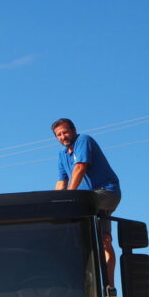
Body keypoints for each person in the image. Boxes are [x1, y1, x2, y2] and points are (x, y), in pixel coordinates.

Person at [52, 118, 121, 286]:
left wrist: (69, 198)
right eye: (59, 135)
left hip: (105, 193)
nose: (63, 136)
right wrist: (51, 204)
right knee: (105, 241)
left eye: (65, 132)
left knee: (76, 220)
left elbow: (80, 168)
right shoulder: (62, 155)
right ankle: (108, 287)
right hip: (89, 202)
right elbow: (62, 182)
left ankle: (107, 285)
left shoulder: (83, 140)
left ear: (74, 130)